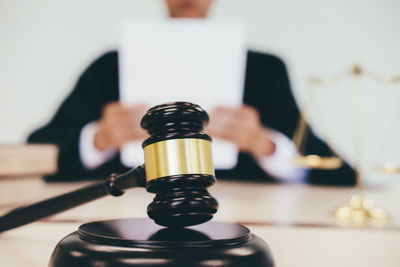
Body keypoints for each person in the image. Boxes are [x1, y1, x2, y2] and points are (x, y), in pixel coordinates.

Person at [28, 0, 355, 186]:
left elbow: (337, 172)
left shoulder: (265, 71)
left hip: (247, 220)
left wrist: (264, 143)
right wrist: (98, 138)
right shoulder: (110, 65)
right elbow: (37, 153)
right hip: (123, 215)